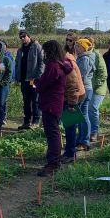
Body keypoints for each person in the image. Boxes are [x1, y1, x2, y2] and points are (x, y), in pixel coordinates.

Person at [35, 40, 73, 176]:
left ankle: (53, 164)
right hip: (54, 102)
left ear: (50, 51)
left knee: (53, 134)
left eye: (45, 51)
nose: (43, 54)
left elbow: (42, 84)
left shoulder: (53, 66)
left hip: (51, 104)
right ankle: (53, 160)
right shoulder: (60, 64)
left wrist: (37, 83)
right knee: (53, 133)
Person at [15, 30, 45, 130]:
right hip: (24, 79)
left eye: (24, 36)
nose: (22, 38)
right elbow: (17, 64)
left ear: (28, 36)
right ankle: (26, 122)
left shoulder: (36, 47)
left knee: (35, 100)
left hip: (34, 79)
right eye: (21, 37)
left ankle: (35, 121)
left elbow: (42, 62)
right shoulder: (20, 50)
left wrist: (39, 77)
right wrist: (17, 77)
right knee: (26, 101)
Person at [74, 39, 94, 151]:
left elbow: (80, 75)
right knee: (80, 115)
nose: (76, 48)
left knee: (83, 115)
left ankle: (85, 141)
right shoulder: (80, 58)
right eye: (76, 46)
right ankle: (79, 139)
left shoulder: (85, 59)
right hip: (82, 89)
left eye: (79, 46)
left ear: (84, 48)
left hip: (84, 89)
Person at [88, 36, 108, 142]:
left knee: (92, 108)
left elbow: (103, 74)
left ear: (93, 44)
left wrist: (94, 86)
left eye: (89, 43)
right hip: (86, 88)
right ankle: (85, 130)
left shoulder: (97, 56)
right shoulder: (81, 56)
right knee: (84, 110)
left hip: (97, 89)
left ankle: (94, 131)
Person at [0, 40, 13, 137]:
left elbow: (9, 73)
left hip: (2, 87)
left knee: (0, 106)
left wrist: (1, 84)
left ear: (2, 49)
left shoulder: (6, 60)